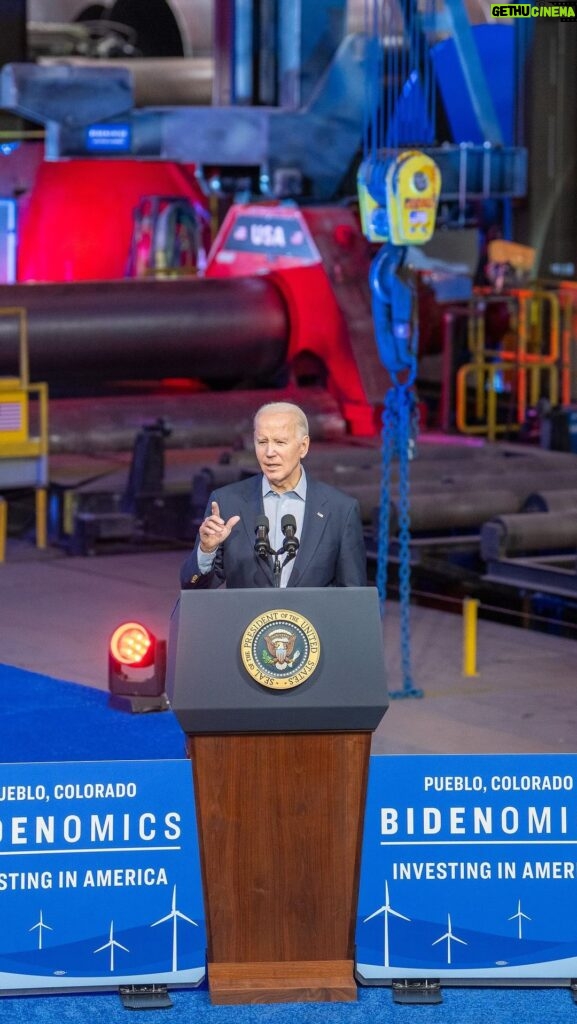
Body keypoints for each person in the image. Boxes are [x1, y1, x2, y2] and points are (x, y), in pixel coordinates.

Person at [180, 401, 367, 589]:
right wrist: (207, 550)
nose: (269, 453)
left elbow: (353, 597)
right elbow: (193, 588)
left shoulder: (340, 510)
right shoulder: (227, 503)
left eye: (280, 442)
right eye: (262, 442)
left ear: (303, 446)